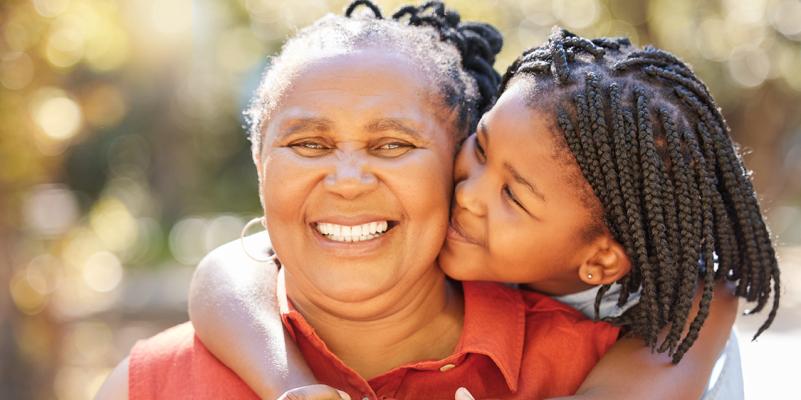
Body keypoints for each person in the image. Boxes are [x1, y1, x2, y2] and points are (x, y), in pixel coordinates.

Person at [186, 11, 780, 400]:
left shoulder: (683, 320)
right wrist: (292, 386)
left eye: (512, 196)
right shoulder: (453, 229)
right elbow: (229, 269)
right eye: (481, 146)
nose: (466, 192)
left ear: (600, 260)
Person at [95, 2, 624, 400]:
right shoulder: (154, 383)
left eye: (393, 144)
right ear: (261, 169)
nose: (347, 181)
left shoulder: (594, 369)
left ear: (456, 166)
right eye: (309, 145)